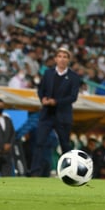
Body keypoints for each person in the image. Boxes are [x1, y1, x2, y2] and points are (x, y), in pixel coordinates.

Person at [30, 47, 81, 177]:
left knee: (65, 144)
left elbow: (73, 97)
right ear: (55, 59)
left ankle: (68, 173)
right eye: (60, 56)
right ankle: (35, 172)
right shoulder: (48, 73)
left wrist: (56, 102)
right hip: (47, 113)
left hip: (63, 115)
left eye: (65, 57)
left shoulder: (74, 77)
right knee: (39, 142)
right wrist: (43, 99)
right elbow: (40, 89)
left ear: (68, 60)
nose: (62, 59)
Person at [0, 99, 16, 176]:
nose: (0, 108)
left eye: (2, 106)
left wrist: (9, 145)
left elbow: (12, 134)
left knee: (7, 175)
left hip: (7, 153)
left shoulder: (8, 120)